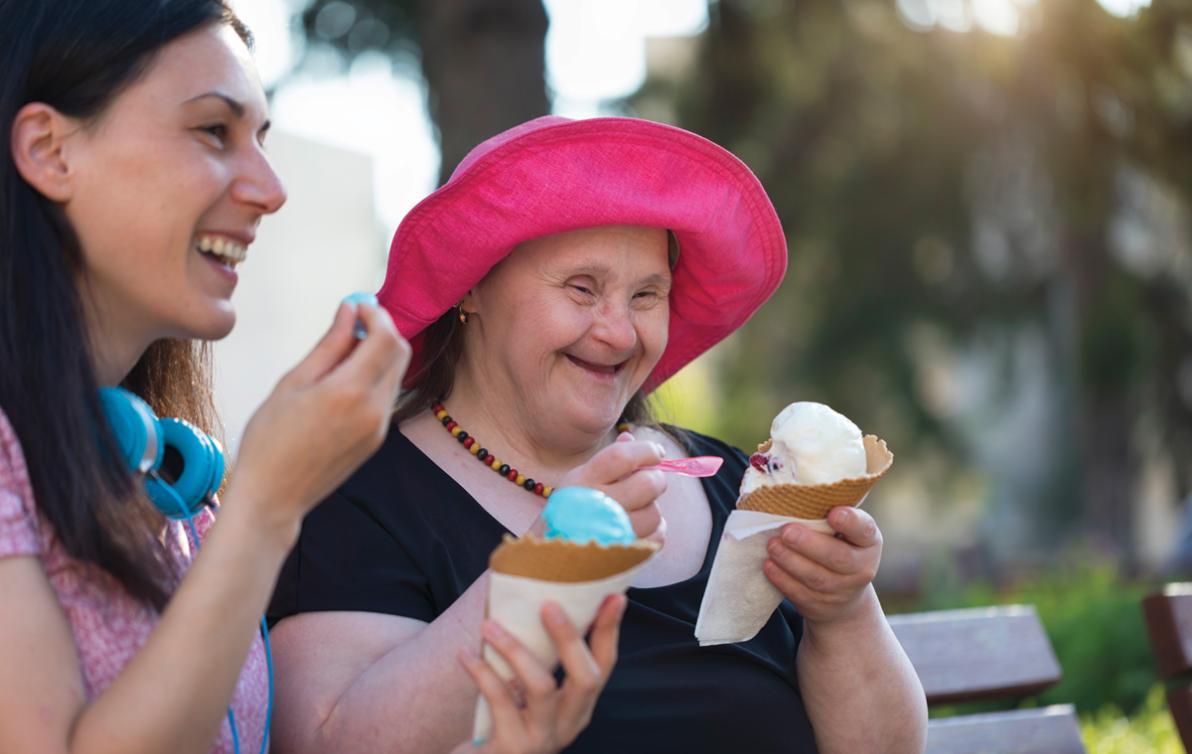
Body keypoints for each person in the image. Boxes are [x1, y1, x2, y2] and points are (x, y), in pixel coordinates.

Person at [0, 4, 618, 753]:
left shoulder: (172, 494)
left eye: (260, 139)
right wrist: (267, 505)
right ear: (49, 149)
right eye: (211, 132)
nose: (269, 185)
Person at [267, 116, 929, 753]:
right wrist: (544, 571)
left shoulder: (742, 487)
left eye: (647, 296)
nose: (619, 332)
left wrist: (842, 610)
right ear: (471, 287)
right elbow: (326, 742)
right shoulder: (360, 499)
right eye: (582, 288)